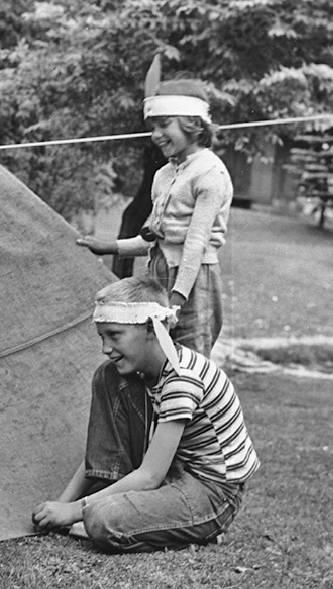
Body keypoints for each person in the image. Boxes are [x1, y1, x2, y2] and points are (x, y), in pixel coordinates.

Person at [32, 277, 257, 553]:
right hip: (175, 471)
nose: (105, 347)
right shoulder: (137, 373)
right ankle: (155, 514)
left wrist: (72, 512)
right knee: (107, 373)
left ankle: (196, 529)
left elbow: (150, 476)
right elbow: (103, 448)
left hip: (212, 491)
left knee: (102, 519)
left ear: (152, 328)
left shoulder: (181, 379)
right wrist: (62, 503)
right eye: (102, 337)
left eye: (114, 335)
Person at [78, 76, 233, 355]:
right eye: (153, 127)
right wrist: (111, 247)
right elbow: (153, 237)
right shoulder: (163, 175)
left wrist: (176, 298)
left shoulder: (210, 173)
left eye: (164, 125)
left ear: (194, 124)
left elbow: (195, 243)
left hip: (195, 277)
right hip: (160, 271)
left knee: (191, 353)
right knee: (157, 353)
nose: (155, 135)